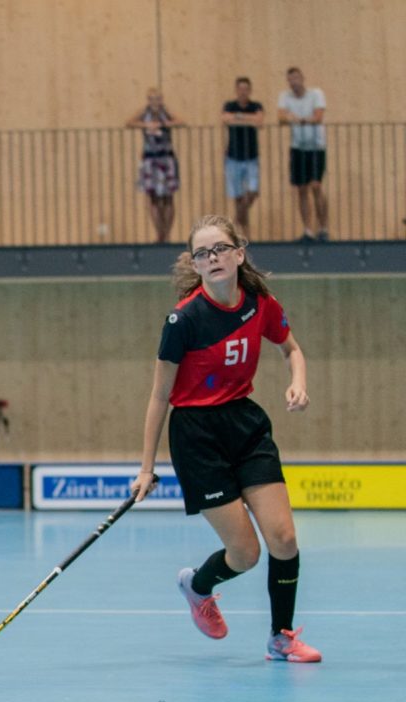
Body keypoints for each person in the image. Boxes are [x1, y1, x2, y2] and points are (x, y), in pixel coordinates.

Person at [130, 214, 320, 664]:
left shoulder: (260, 304)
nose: (212, 258)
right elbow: (160, 396)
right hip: (196, 435)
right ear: (194, 265)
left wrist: (298, 382)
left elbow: (292, 348)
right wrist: (145, 468)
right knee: (247, 553)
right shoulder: (184, 320)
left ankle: (282, 638)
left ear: (238, 254)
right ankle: (197, 586)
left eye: (220, 249)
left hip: (245, 425)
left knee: (285, 540)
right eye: (202, 253)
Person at [127, 89, 186, 243]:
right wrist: (146, 125)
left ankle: (166, 233)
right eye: (152, 99)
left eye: (158, 99)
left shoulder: (166, 112)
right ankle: (159, 233)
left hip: (166, 158)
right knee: (153, 197)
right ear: (148, 100)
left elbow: (181, 121)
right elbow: (129, 122)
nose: (155, 102)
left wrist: (163, 123)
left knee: (168, 198)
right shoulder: (144, 113)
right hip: (150, 160)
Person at [277, 67, 328, 242]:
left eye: (297, 78)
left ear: (302, 78)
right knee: (301, 189)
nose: (294, 82)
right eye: (291, 79)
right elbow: (281, 118)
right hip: (298, 147)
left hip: (316, 146)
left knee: (316, 185)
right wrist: (299, 119)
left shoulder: (316, 94)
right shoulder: (285, 97)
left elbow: (318, 116)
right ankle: (308, 230)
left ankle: (323, 227)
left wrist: (299, 119)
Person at [221, 77, 265, 238]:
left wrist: (237, 118)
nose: (243, 92)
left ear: (250, 90)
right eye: (240, 88)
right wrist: (248, 119)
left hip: (251, 156)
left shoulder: (256, 105)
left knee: (252, 191)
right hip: (233, 156)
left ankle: (232, 224)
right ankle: (245, 235)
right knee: (238, 197)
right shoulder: (229, 105)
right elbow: (225, 119)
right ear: (236, 90)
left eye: (246, 89)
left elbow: (259, 121)